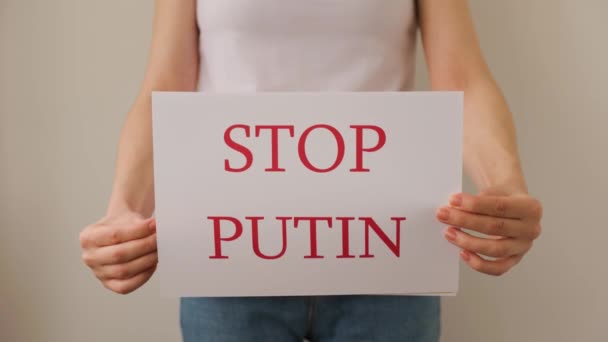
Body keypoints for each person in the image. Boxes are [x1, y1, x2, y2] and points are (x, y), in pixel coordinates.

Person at [79, 1, 543, 341]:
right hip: (228, 260)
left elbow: (461, 77)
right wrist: (123, 210)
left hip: (386, 256)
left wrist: (504, 188)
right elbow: (165, 86)